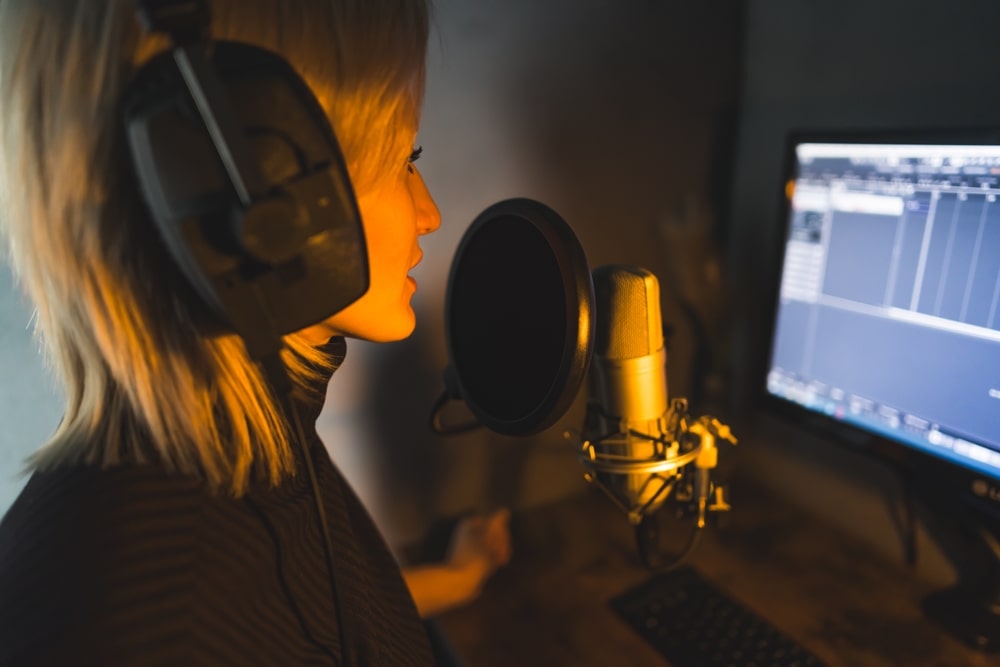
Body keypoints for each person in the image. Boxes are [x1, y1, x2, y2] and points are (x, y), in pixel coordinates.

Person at [0, 0, 509, 664]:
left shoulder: (237, 453)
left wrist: (450, 581)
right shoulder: (147, 620)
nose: (430, 212)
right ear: (253, 196)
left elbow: (289, 620)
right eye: (400, 159)